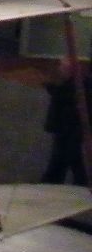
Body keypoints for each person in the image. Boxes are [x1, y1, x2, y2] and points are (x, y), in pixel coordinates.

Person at [42, 56, 92, 185]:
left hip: (70, 128)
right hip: (69, 128)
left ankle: (54, 183)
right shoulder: (76, 84)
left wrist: (51, 87)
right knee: (67, 159)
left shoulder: (76, 86)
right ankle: (78, 183)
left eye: (63, 67)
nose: (61, 70)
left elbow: (64, 98)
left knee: (67, 158)